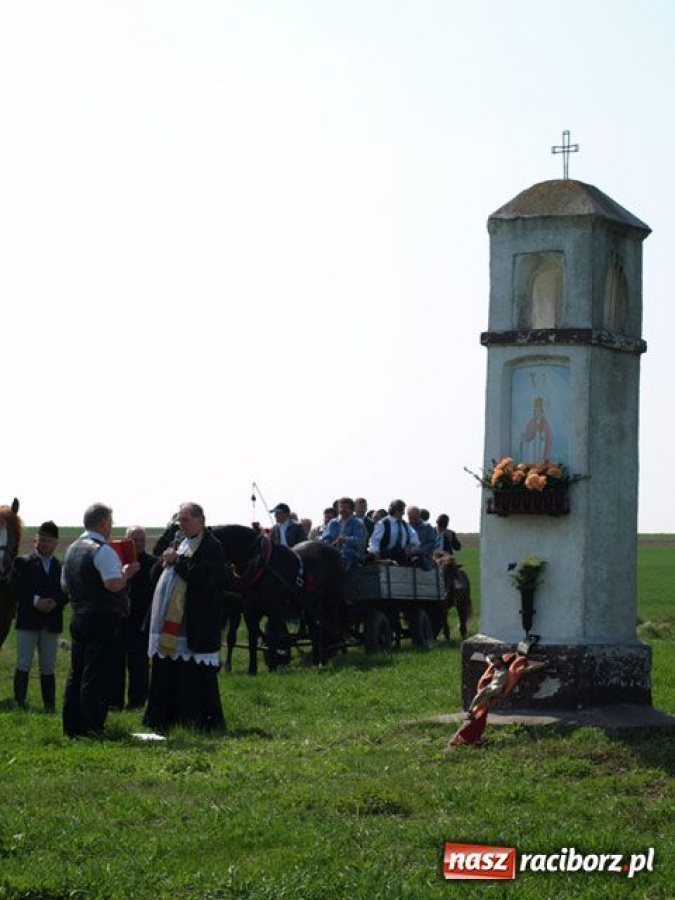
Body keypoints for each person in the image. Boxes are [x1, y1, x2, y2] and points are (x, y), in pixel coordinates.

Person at [143, 502, 228, 734]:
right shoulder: (179, 543)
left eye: (186, 519)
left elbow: (204, 577)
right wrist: (164, 562)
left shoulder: (211, 546)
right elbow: (157, 575)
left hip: (194, 622)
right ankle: (165, 719)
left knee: (195, 675)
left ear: (200, 520)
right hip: (170, 623)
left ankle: (200, 721)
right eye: (179, 520)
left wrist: (176, 561)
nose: (181, 524)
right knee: (168, 672)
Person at [61, 503, 140, 737]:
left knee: (76, 673)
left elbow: (64, 586)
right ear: (103, 522)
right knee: (97, 674)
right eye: (111, 523)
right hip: (102, 619)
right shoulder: (102, 550)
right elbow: (112, 584)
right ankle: (93, 725)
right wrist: (127, 572)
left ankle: (72, 725)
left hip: (78, 615)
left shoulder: (71, 549)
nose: (111, 527)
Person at [12, 521, 68, 711]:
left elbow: (66, 592)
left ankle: (50, 706)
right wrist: (36, 601)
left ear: (55, 543)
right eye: (41, 540)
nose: (43, 544)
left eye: (48, 541)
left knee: (48, 665)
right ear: (36, 539)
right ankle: (19, 703)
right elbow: (17, 589)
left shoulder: (62, 566)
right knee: (23, 662)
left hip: (51, 622)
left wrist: (55, 602)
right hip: (28, 621)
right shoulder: (23, 562)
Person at [110, 526, 156, 710]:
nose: (137, 543)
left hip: (141, 624)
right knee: (116, 666)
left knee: (140, 668)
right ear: (125, 541)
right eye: (134, 540)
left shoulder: (153, 564)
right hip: (118, 623)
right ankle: (114, 704)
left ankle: (136, 704)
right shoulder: (114, 562)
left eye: (141, 540)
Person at [367, 499, 420, 565]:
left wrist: (411, 545)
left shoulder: (404, 524)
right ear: (396, 511)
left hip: (402, 555)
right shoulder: (384, 523)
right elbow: (375, 540)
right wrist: (375, 552)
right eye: (402, 510)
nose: (403, 513)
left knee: (418, 559)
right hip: (386, 554)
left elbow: (414, 535)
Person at [321, 497, 366, 570]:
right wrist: (331, 544)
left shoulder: (357, 523)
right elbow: (325, 538)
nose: (343, 510)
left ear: (351, 509)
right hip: (333, 551)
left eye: (346, 507)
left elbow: (359, 540)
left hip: (351, 553)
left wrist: (345, 540)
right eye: (341, 507)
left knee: (345, 556)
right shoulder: (333, 523)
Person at [407, 506, 436, 570]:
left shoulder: (427, 527)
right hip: (408, 556)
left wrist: (419, 550)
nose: (412, 520)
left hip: (424, 558)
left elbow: (432, 544)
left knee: (417, 560)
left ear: (418, 516)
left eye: (414, 517)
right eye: (410, 517)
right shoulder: (405, 526)